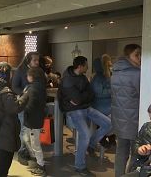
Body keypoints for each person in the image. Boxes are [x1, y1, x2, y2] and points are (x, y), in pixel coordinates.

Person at [58, 56, 112, 176]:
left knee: (108, 123)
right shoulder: (67, 80)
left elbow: (91, 94)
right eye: (86, 65)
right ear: (80, 66)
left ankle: (91, 145)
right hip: (74, 110)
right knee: (85, 135)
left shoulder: (82, 77)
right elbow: (77, 100)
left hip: (86, 107)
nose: (88, 67)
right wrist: (82, 97)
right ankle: (79, 166)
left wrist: (81, 98)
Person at [0, 62, 28, 177]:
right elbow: (15, 108)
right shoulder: (6, 92)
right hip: (6, 128)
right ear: (5, 74)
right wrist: (25, 96)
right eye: (10, 73)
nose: (12, 75)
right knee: (5, 154)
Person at [111, 44, 141, 177]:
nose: (140, 57)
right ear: (128, 56)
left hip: (119, 119)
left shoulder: (115, 72)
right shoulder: (137, 74)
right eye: (136, 54)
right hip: (133, 119)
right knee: (136, 153)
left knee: (121, 151)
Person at [12, 52, 40, 165]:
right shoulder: (20, 71)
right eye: (35, 60)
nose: (37, 62)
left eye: (38, 60)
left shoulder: (38, 71)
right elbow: (14, 86)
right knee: (24, 129)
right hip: (24, 104)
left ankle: (29, 151)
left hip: (34, 105)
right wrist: (24, 94)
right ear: (28, 60)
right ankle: (22, 153)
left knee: (31, 129)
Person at [23, 67, 47, 176]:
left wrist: (21, 106)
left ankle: (41, 166)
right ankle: (37, 161)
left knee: (35, 144)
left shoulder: (33, 88)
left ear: (32, 76)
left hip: (33, 120)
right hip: (36, 119)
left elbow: (31, 105)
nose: (27, 77)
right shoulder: (41, 87)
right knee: (27, 139)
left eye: (28, 75)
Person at [91, 54, 116, 148]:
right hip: (100, 106)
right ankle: (103, 137)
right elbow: (99, 93)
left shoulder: (107, 76)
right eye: (108, 64)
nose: (110, 66)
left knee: (115, 119)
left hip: (107, 105)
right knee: (110, 121)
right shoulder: (98, 78)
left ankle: (109, 137)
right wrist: (113, 91)